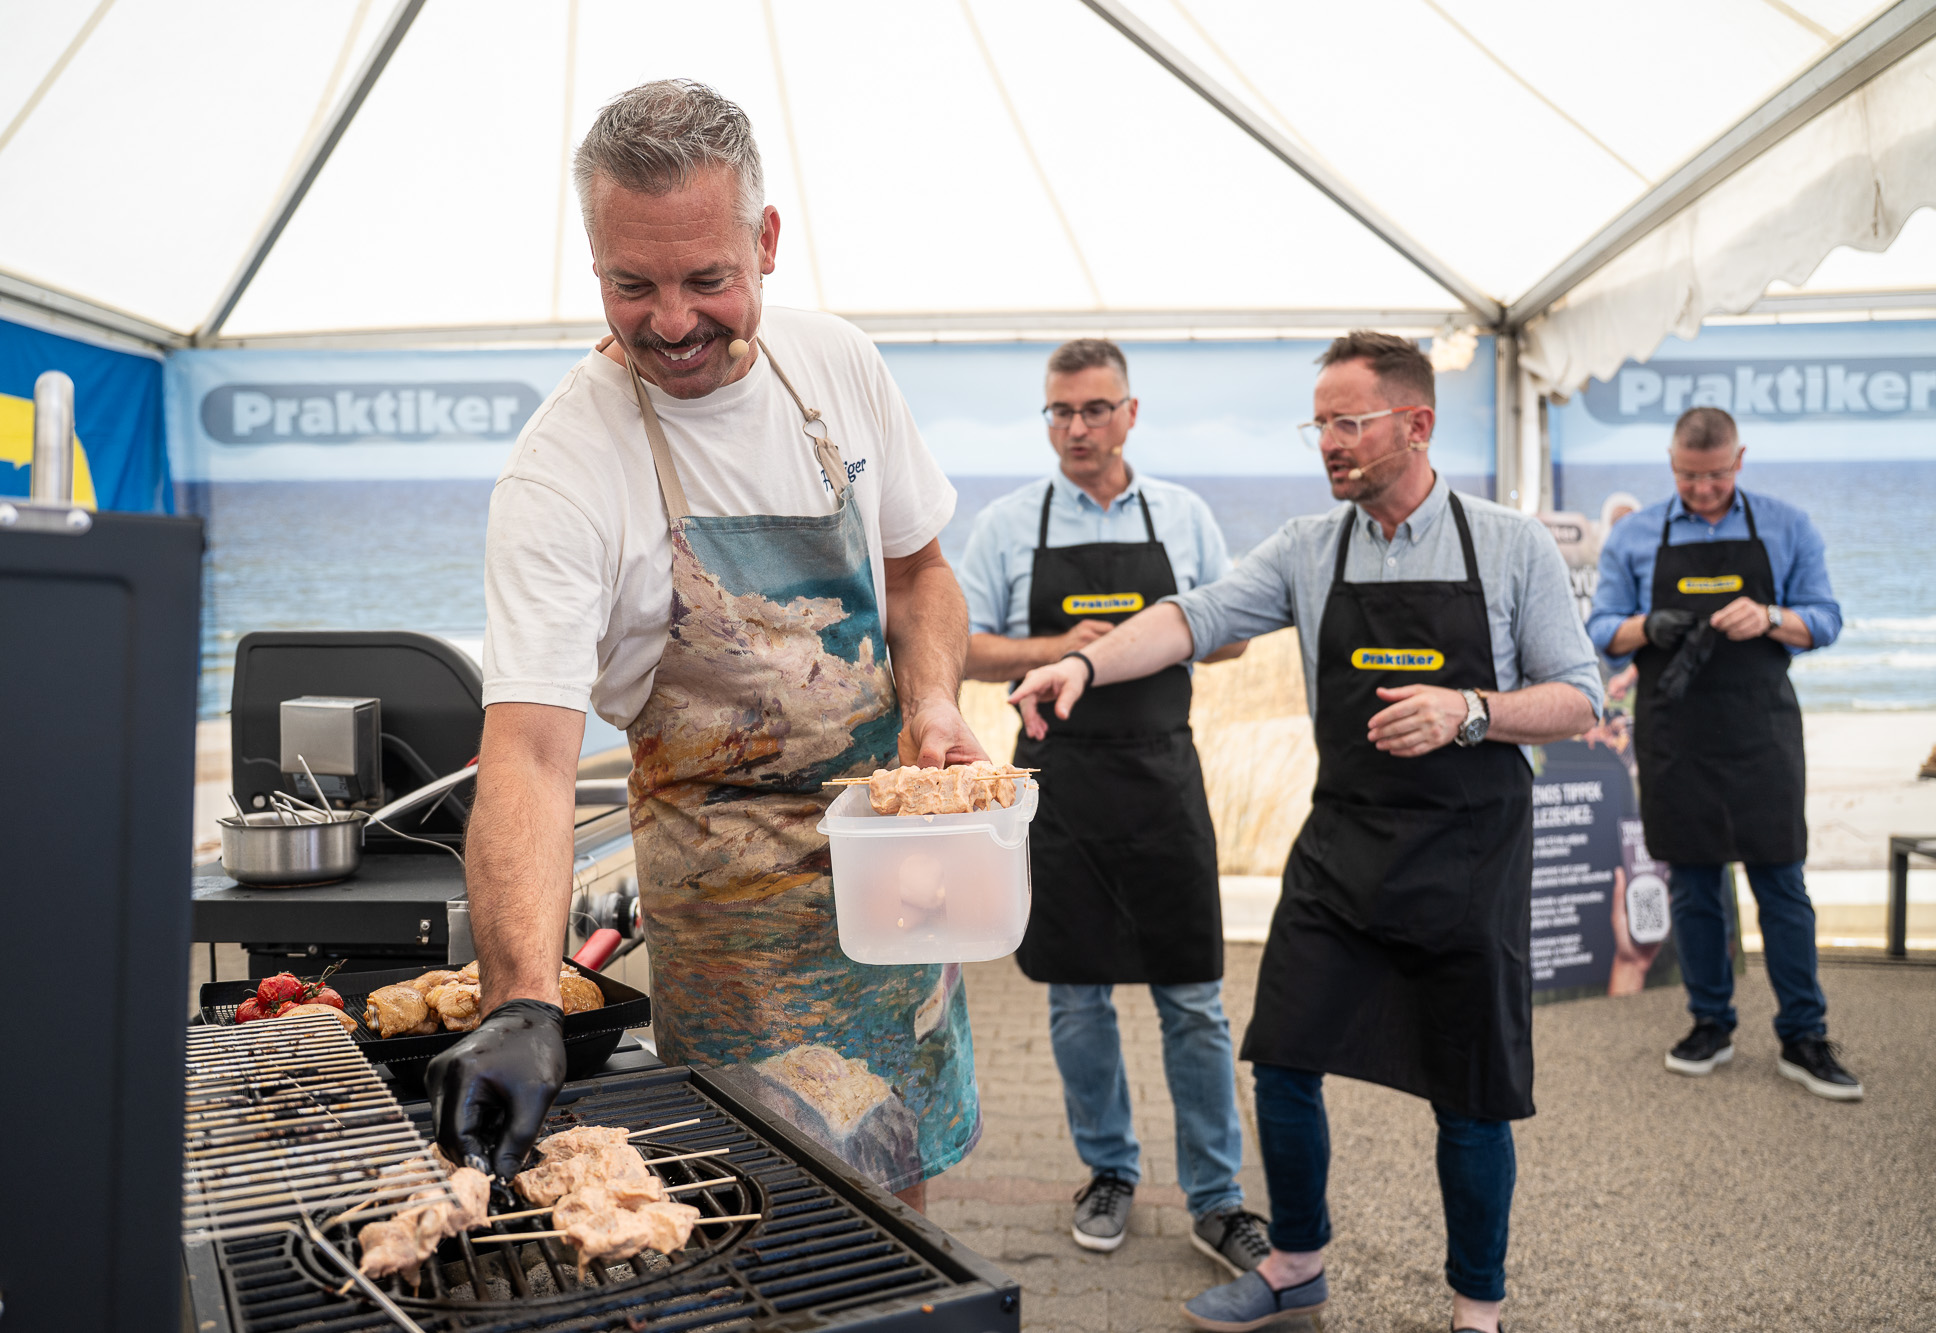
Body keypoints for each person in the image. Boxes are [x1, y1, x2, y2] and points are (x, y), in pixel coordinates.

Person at [426, 81, 989, 1208]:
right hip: (734, 927)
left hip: (894, 881)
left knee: (904, 1190)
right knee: (776, 1214)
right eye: (632, 285)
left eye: (707, 280)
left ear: (766, 242)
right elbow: (528, 753)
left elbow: (921, 573)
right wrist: (523, 1001)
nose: (674, 322)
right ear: (594, 263)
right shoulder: (561, 472)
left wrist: (933, 701)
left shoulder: (835, 365)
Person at [1011, 331, 1602, 1333]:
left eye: (1348, 422)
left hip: (1469, 853)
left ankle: (1476, 1307)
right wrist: (1083, 665)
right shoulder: (1307, 547)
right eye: (1318, 423)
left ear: (1415, 424)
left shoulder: (1509, 545)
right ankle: (1294, 1265)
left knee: (1471, 1096)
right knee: (1282, 1058)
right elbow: (1193, 617)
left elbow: (1579, 698)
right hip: (1343, 848)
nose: (1328, 441)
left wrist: (1470, 710)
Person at [956, 338, 1266, 1273]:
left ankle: (1218, 1196)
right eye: (1061, 411)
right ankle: (1109, 1171)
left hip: (1163, 775)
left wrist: (1142, 639)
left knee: (1193, 997)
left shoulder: (1184, 515)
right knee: (1077, 994)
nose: (1077, 427)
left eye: (1095, 409)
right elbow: (965, 647)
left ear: (1131, 412)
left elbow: (1231, 637)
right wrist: (1053, 647)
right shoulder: (1010, 523)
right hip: (1060, 784)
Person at [1587, 406, 1859, 1100]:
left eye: (1715, 475)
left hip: (1760, 731)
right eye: (1688, 476)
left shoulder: (1787, 525)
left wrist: (1770, 617)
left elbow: (1826, 618)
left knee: (1782, 883)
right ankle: (1710, 1021)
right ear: (1671, 463)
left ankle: (1804, 1034)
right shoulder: (1636, 535)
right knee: (1694, 883)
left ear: (1739, 461)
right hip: (1675, 734)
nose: (1702, 489)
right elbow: (1600, 629)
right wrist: (1647, 626)